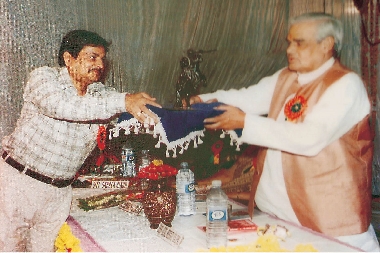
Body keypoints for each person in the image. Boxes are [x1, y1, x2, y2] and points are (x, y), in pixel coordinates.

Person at [191, 13, 380, 251]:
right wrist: (203, 100)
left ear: (327, 45)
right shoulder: (287, 77)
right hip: (278, 219)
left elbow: (309, 139)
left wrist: (243, 122)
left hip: (331, 227)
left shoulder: (346, 85)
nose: (290, 49)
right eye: (289, 42)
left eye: (299, 43)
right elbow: (247, 98)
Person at [0, 29, 161, 251]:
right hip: (19, 183)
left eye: (102, 59)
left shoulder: (101, 94)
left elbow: (126, 120)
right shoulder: (44, 78)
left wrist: (171, 117)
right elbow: (63, 107)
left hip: (59, 193)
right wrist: (123, 101)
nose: (100, 65)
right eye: (92, 57)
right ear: (69, 59)